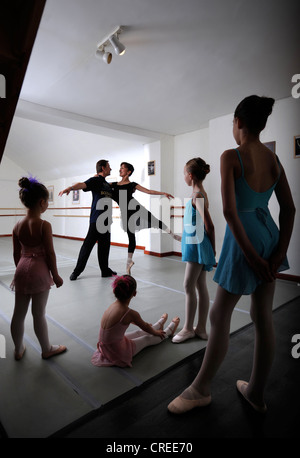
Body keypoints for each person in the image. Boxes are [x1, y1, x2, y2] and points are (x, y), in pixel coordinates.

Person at [168, 95, 295, 414]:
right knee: (262, 316)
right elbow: (290, 209)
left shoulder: (231, 156)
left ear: (238, 123)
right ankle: (256, 392)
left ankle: (200, 388)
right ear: (261, 124)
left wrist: (251, 256)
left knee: (219, 315)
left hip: (244, 241)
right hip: (270, 235)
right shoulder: (274, 159)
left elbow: (229, 211)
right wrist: (279, 251)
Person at [10, 176, 67, 360]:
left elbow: (16, 254)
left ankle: (18, 350)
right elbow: (50, 254)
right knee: (38, 313)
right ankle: (46, 349)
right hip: (39, 271)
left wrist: (20, 270)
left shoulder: (17, 225)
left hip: (21, 269)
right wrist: (56, 276)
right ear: (42, 202)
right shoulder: (44, 225)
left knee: (18, 313)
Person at [171, 158, 216, 343]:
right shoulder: (198, 194)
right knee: (199, 286)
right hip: (193, 242)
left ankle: (189, 328)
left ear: (190, 175)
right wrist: (182, 237)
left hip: (197, 247)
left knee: (188, 285)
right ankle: (201, 329)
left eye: (184, 174)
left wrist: (212, 252)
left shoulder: (197, 196)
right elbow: (195, 224)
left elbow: (209, 226)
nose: (183, 177)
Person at [91, 275, 180, 367]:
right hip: (117, 352)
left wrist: (143, 325)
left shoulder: (112, 306)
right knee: (146, 339)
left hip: (105, 347)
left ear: (115, 291)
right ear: (134, 293)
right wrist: (156, 333)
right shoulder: (130, 313)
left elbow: (125, 321)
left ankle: (159, 325)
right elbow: (145, 327)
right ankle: (168, 332)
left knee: (138, 332)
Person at [110, 162, 180, 274]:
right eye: (120, 168)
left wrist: (163, 193)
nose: (120, 170)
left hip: (136, 208)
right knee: (131, 236)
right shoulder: (113, 185)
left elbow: (148, 191)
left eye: (122, 168)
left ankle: (174, 235)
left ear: (128, 172)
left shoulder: (132, 184)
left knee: (155, 221)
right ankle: (129, 262)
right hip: (126, 213)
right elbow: (101, 184)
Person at [59, 160, 117, 279]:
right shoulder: (95, 181)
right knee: (87, 246)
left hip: (106, 221)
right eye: (109, 167)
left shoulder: (106, 184)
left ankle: (105, 270)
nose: (111, 169)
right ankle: (77, 271)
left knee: (104, 247)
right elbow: (82, 184)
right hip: (96, 220)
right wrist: (70, 188)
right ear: (103, 168)